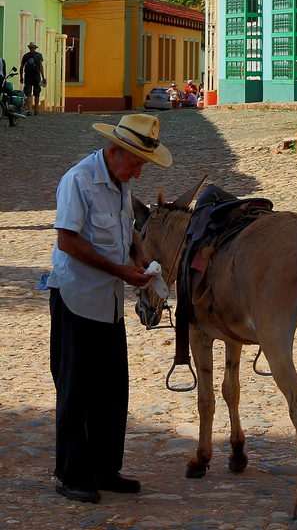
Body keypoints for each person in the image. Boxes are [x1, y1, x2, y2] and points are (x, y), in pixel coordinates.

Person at [44, 113, 173, 503]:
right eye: (134, 162)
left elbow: (123, 226)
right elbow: (67, 240)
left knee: (112, 390)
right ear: (113, 151)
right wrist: (118, 269)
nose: (138, 172)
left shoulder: (119, 184)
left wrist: (138, 253)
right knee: (75, 390)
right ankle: (70, 474)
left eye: (143, 164)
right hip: (78, 299)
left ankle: (104, 469)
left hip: (110, 302)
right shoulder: (79, 181)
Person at [20, 40, 45, 115]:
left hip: (28, 75)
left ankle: (29, 109)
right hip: (36, 75)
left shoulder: (26, 56)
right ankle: (36, 109)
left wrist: (21, 77)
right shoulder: (39, 55)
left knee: (28, 93)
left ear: (29, 48)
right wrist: (43, 76)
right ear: (35, 48)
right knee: (37, 93)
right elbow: (40, 66)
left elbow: (21, 67)